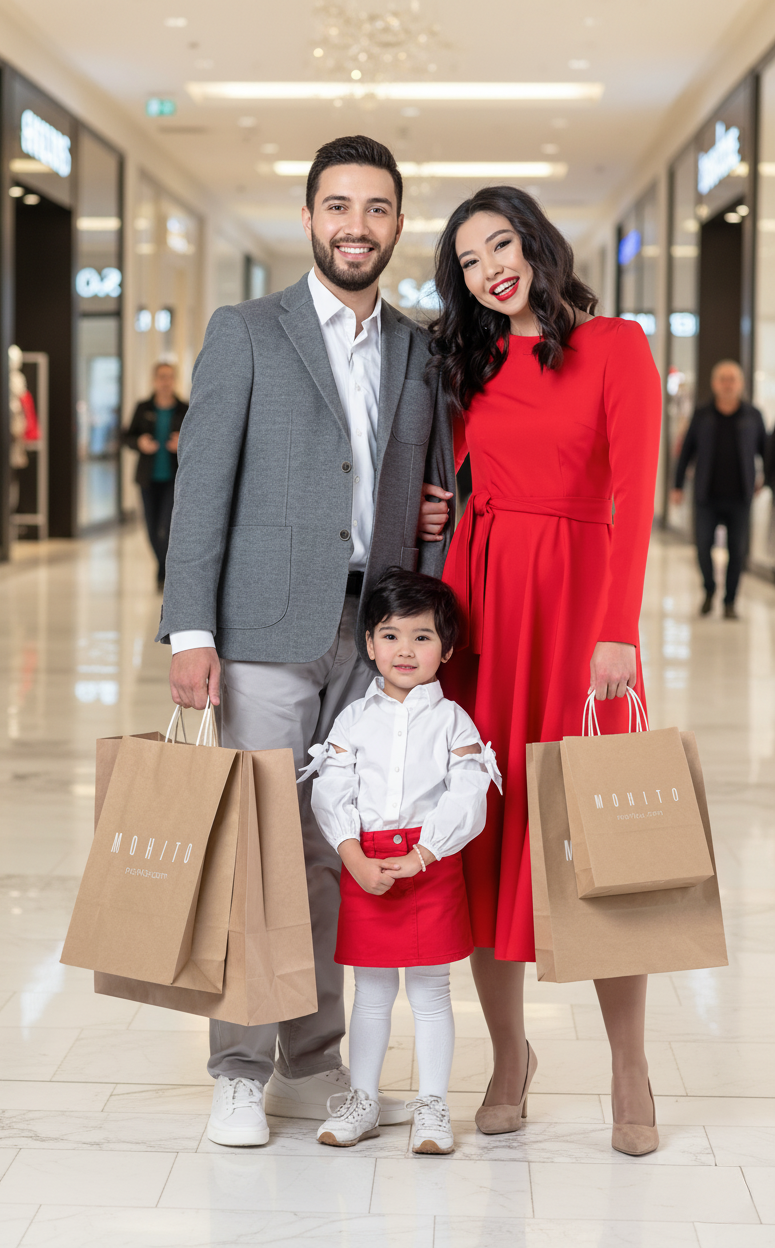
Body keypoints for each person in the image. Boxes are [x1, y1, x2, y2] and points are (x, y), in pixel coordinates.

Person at [158, 135, 454, 1148]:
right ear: (309, 219)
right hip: (260, 630)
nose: (355, 227)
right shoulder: (248, 330)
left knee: (334, 846)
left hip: (370, 636)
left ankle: (315, 1057)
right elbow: (200, 490)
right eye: (338, 207)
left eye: (375, 209)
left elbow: (426, 488)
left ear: (397, 225)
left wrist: (437, 520)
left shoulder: (416, 349)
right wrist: (190, 629)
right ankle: (239, 1067)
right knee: (256, 847)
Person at [425, 186, 662, 1156]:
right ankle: (508, 1054)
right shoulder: (467, 364)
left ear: (536, 244)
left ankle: (628, 1064)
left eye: (502, 244)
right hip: (484, 616)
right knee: (485, 834)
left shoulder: (615, 345)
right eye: (471, 261)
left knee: (597, 838)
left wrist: (616, 628)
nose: (492, 268)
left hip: (578, 613)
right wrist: (438, 533)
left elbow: (637, 492)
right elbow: (457, 489)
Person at [301, 569, 501, 1154]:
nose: (405, 651)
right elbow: (330, 788)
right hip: (365, 863)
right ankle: (363, 1099)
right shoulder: (353, 720)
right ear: (368, 644)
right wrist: (351, 854)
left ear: (448, 647)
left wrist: (424, 853)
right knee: (372, 991)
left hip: (431, 865)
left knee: (432, 990)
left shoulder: (453, 722)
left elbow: (469, 795)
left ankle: (433, 1107)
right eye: (390, 636)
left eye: (422, 637)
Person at [670, 360, 768, 619]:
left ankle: (730, 601)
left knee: (737, 551)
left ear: (741, 383)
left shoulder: (753, 416)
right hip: (706, 496)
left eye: (732, 379)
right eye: (722, 379)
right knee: (703, 547)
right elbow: (687, 452)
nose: (727, 384)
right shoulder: (702, 415)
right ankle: (709, 589)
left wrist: (765, 480)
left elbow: (767, 453)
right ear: (714, 384)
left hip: (740, 497)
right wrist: (677, 485)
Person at [123, 362, 188, 589]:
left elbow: (199, 441)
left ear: (175, 380)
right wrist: (139, 442)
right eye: (161, 377)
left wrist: (182, 442)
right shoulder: (143, 407)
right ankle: (162, 566)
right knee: (151, 528)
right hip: (148, 478)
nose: (165, 381)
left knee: (167, 525)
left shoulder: (184, 408)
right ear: (154, 380)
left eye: (169, 377)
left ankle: (164, 572)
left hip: (173, 478)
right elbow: (128, 437)